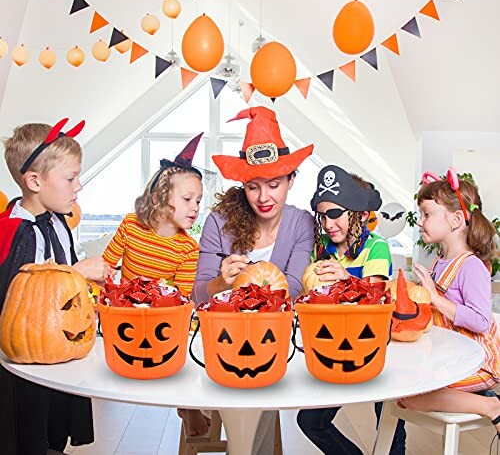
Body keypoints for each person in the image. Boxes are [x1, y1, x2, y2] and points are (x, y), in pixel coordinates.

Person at [193, 106, 315, 453]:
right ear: (242, 186)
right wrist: (220, 283)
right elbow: (198, 295)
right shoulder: (219, 222)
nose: (264, 198)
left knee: (262, 381)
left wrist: (248, 287)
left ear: (292, 180)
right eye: (253, 186)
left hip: (272, 340)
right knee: (254, 389)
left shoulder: (300, 223)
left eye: (274, 185)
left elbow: (292, 289)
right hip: (221, 339)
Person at [0, 119, 113, 455]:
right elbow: (20, 299)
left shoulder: (59, 223)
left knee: (55, 432)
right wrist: (77, 272)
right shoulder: (19, 232)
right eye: (70, 178)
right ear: (34, 181)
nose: (78, 186)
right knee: (30, 435)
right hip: (29, 364)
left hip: (60, 354)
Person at [102, 133, 208, 436]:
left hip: (161, 315)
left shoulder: (188, 248)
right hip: (124, 312)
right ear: (161, 198)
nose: (195, 207)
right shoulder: (130, 225)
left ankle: (187, 407)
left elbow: (181, 298)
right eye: (187, 199)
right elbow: (107, 268)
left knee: (185, 351)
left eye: (198, 201)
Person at [297, 164, 406, 455]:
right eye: (323, 215)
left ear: (356, 213)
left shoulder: (376, 247)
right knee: (310, 421)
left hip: (373, 345)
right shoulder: (320, 248)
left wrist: (346, 279)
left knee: (389, 423)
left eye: (336, 213)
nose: (329, 223)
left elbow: (377, 297)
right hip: (334, 347)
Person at [397, 168, 500, 436]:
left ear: (455, 220)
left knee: (413, 396)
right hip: (449, 358)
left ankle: (490, 405)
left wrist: (435, 298)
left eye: (427, 214)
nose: (420, 222)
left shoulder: (472, 266)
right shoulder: (438, 263)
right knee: (401, 388)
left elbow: (481, 321)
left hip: (477, 362)